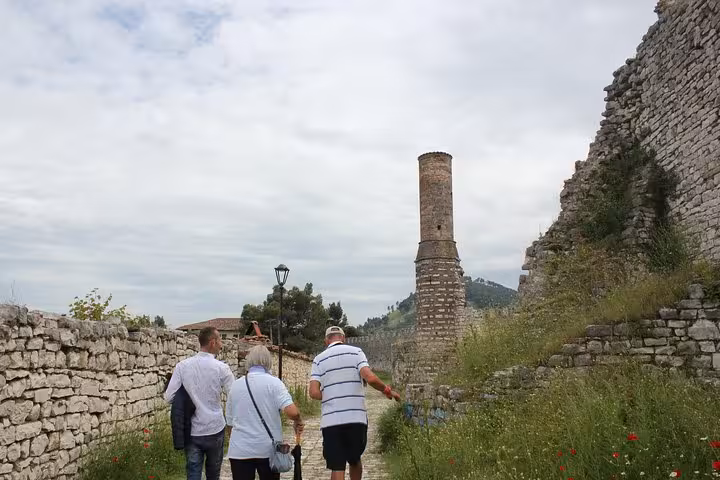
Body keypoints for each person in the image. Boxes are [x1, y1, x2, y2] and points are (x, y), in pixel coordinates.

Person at [309, 326, 401, 480]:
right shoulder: (356, 352)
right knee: (354, 459)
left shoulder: (318, 360)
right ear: (343, 338)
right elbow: (369, 378)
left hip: (331, 421)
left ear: (326, 341)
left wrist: (331, 394)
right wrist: (388, 391)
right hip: (356, 418)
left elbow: (313, 393)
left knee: (337, 466)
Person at [225, 345, 305, 480]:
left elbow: (229, 423)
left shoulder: (236, 385)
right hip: (268, 451)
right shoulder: (274, 383)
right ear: (269, 362)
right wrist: (298, 420)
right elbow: (292, 412)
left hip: (240, 450)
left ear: (248, 361)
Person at [165, 326, 235, 480]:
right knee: (213, 474)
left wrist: (187, 397)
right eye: (220, 340)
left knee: (193, 473)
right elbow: (234, 395)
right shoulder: (222, 368)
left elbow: (169, 397)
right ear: (212, 342)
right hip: (215, 427)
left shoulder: (182, 366)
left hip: (192, 430)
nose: (222, 344)